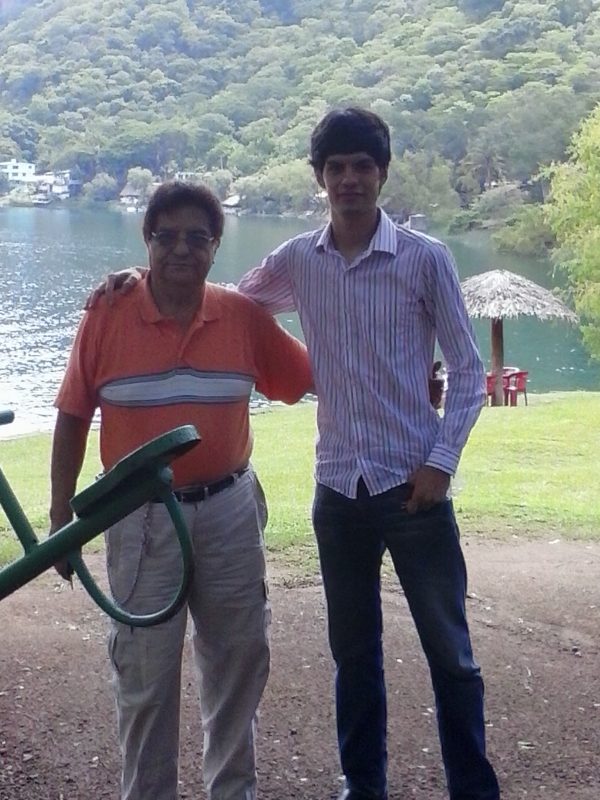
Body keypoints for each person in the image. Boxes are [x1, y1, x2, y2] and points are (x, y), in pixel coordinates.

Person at [92, 108, 499, 800]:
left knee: (451, 654)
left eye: (362, 166)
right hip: (338, 490)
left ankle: (473, 789)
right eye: (336, 168)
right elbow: (222, 299)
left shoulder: (425, 258)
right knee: (354, 656)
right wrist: (141, 276)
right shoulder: (299, 261)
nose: (349, 180)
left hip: (415, 487)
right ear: (320, 177)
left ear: (382, 173)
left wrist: (442, 462)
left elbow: (467, 370)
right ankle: (362, 787)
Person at [50, 181, 312, 800]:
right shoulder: (107, 313)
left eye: (197, 238)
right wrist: (61, 514)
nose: (181, 250)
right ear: (146, 242)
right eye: (166, 237)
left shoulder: (241, 316)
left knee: (239, 661)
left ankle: (233, 792)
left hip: (229, 510)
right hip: (139, 518)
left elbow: (308, 375)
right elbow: (72, 415)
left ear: (216, 246)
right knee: (145, 673)